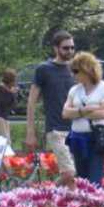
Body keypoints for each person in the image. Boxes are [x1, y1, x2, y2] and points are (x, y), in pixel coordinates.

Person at [26, 31, 79, 186]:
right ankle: (68, 203)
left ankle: (50, 195)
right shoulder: (44, 69)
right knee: (69, 172)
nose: (69, 51)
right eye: (65, 48)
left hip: (77, 129)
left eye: (72, 48)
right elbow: (31, 102)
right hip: (56, 129)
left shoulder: (76, 69)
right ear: (56, 48)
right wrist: (30, 132)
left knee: (74, 174)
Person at [62, 52, 104, 185]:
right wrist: (84, 110)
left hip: (95, 138)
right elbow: (65, 113)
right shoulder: (74, 90)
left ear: (87, 70)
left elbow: (103, 113)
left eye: (76, 71)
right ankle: (84, 205)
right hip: (77, 138)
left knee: (94, 179)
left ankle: (94, 204)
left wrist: (76, 113)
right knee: (82, 180)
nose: (73, 75)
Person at [0, 69, 19, 137]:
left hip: (5, 118)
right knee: (5, 140)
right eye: (15, 79)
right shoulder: (0, 89)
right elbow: (2, 103)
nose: (16, 82)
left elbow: (13, 105)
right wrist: (10, 93)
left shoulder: (8, 89)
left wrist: (13, 94)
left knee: (7, 141)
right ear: (10, 80)